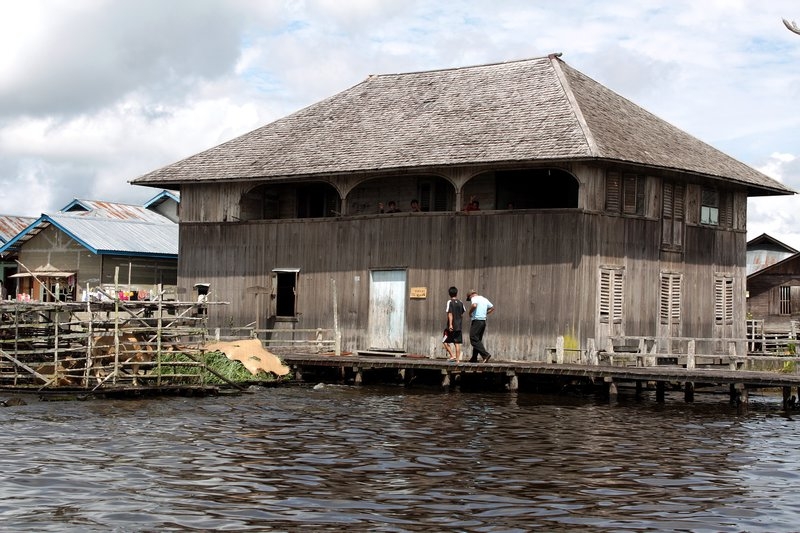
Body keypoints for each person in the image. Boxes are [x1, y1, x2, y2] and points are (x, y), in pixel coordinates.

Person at [466, 289, 494, 363]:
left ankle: (485, 355)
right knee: (477, 339)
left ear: (471, 295)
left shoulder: (474, 298)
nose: (470, 299)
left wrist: (470, 312)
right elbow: (492, 308)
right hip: (483, 321)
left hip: (477, 320)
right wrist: (485, 313)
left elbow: (474, 305)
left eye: (469, 298)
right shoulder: (484, 299)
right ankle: (474, 358)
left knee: (473, 338)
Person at [442, 286, 465, 362]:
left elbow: (450, 313)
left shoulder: (450, 302)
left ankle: (452, 355)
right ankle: (457, 360)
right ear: (456, 293)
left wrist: (451, 324)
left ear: (449, 294)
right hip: (458, 326)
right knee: (457, 343)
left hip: (451, 326)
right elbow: (462, 313)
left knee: (444, 341)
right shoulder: (461, 302)